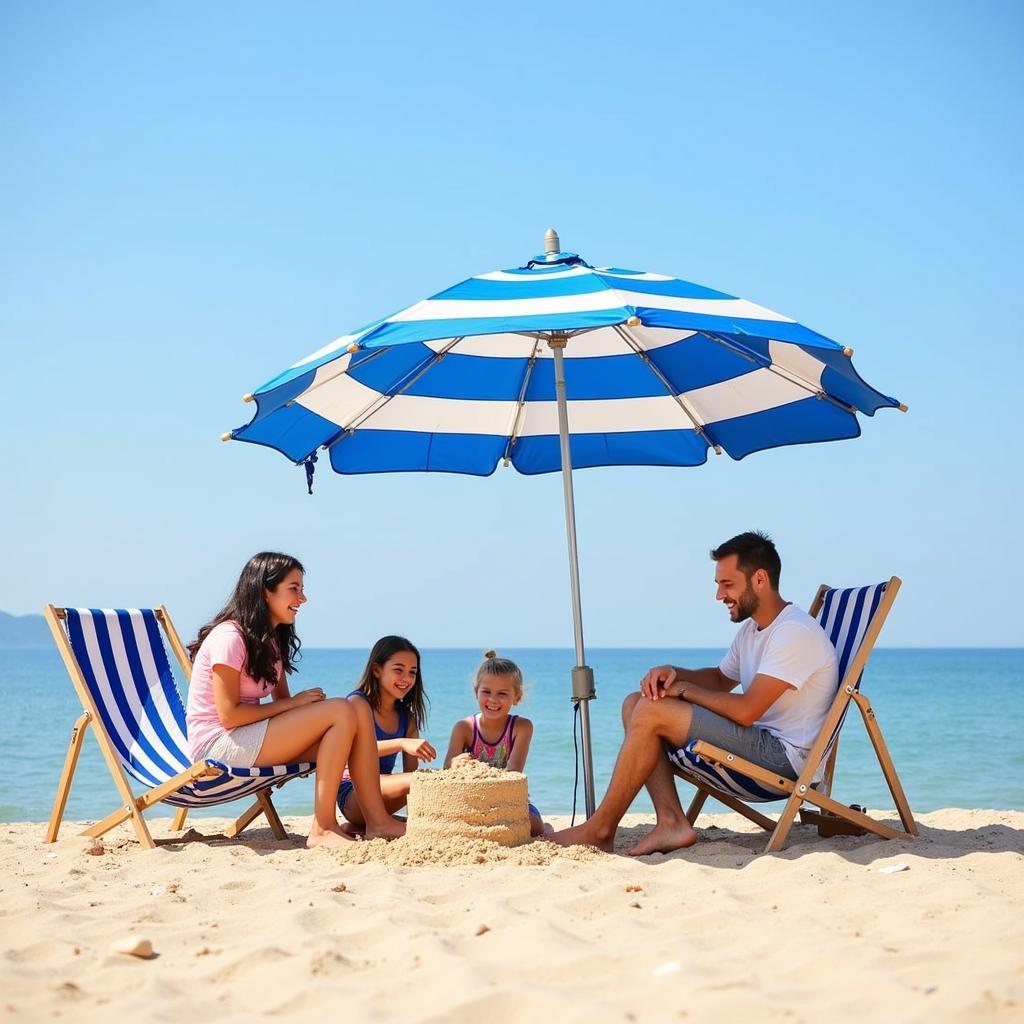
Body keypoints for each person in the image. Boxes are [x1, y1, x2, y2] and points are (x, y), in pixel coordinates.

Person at [551, 531, 838, 855]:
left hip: (782, 760)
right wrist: (674, 673)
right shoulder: (753, 630)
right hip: (758, 741)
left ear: (760, 579)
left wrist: (684, 691)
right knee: (636, 703)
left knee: (652, 710)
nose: (719, 595)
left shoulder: (793, 633)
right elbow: (718, 679)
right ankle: (671, 821)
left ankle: (601, 829)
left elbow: (746, 711)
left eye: (727, 584)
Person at [185, 552, 405, 849]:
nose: (303, 598)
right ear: (265, 591)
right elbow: (229, 717)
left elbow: (285, 707)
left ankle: (376, 821)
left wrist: (307, 709)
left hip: (251, 739)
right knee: (342, 710)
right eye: (294, 588)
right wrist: (297, 705)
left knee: (356, 710)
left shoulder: (271, 641)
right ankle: (324, 828)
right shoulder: (230, 638)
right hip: (218, 745)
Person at [444, 651, 549, 837]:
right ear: (476, 692)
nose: (492, 700)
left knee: (536, 826)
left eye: (502, 693)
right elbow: (447, 770)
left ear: (516, 697)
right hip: (471, 800)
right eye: (486, 692)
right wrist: (459, 763)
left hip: (507, 800)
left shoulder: (521, 727)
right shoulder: (464, 728)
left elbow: (513, 773)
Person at [337, 635, 435, 830]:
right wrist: (401, 743)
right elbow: (351, 752)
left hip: (382, 794)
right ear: (376, 670)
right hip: (352, 793)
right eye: (398, 670)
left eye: (412, 672)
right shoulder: (356, 704)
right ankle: (368, 823)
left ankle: (358, 828)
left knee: (423, 785)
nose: (406, 678)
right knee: (422, 780)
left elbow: (412, 777)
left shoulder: (408, 718)